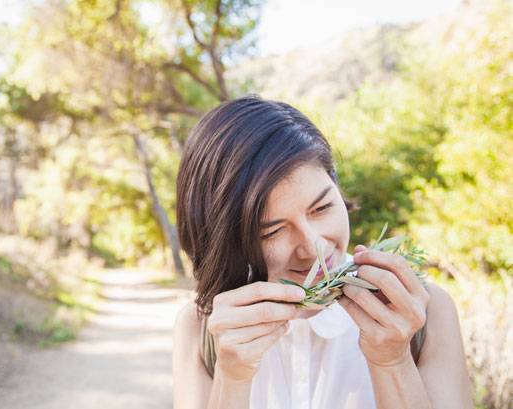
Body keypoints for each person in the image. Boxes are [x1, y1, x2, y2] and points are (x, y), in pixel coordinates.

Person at [172, 95, 473, 409]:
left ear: (337, 187)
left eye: (322, 207)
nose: (313, 246)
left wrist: (392, 362)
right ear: (227, 238)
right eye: (272, 231)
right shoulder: (201, 328)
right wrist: (231, 379)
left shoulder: (423, 312)